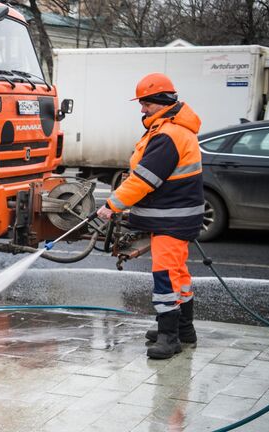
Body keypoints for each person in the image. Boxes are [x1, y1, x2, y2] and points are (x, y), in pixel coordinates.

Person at [97, 73, 204, 360]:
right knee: (179, 274)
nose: (141, 109)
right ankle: (184, 329)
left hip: (172, 218)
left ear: (159, 102)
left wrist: (112, 204)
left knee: (166, 276)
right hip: (175, 216)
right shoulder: (170, 128)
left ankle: (170, 338)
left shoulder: (169, 135)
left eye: (145, 103)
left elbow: (144, 180)